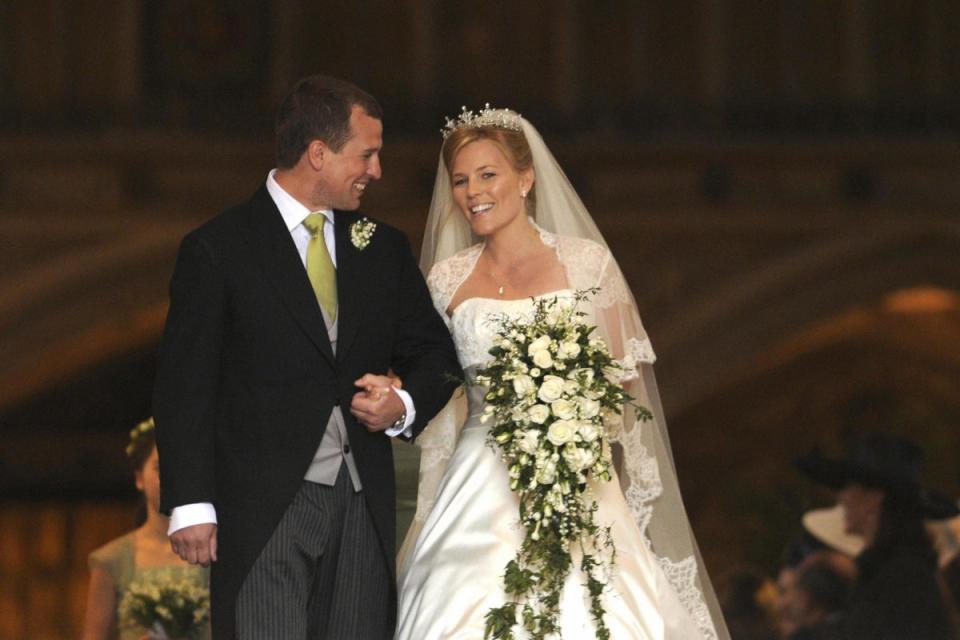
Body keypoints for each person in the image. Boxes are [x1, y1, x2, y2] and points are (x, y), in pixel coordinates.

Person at [395, 106, 729, 638]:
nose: (472, 191)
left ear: (525, 179)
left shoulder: (587, 264)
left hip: (576, 474)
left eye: (488, 174)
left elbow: (621, 381)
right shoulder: (445, 279)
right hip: (477, 479)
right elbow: (434, 379)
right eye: (460, 180)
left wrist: (567, 432)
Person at [153, 75, 461, 639]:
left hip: (363, 506)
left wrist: (406, 403)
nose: (377, 171)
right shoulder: (218, 248)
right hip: (261, 507)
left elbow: (437, 353)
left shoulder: (382, 246)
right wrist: (191, 501)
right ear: (318, 153)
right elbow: (184, 384)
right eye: (366, 154)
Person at [797, 431, 959, 639]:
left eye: (847, 485)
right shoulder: (890, 573)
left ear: (874, 498)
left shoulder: (904, 578)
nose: (840, 495)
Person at [83, 418, 211, 640]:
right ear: (139, 478)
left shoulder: (213, 549)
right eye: (160, 468)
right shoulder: (112, 559)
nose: (170, 478)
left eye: (179, 468)